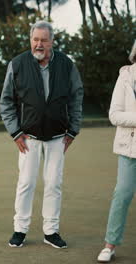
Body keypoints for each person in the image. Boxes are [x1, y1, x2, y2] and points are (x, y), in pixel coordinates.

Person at [0, 21, 84, 249]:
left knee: (54, 183)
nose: (39, 44)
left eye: (43, 40)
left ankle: (51, 231)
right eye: (35, 39)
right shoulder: (17, 64)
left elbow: (76, 97)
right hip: (28, 137)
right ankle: (20, 229)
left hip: (58, 136)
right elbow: (6, 101)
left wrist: (73, 130)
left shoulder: (66, 64)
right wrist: (15, 132)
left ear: (52, 41)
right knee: (26, 183)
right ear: (30, 40)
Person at [97, 40, 136, 263]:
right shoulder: (125, 77)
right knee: (122, 193)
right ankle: (110, 245)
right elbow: (114, 115)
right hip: (129, 149)